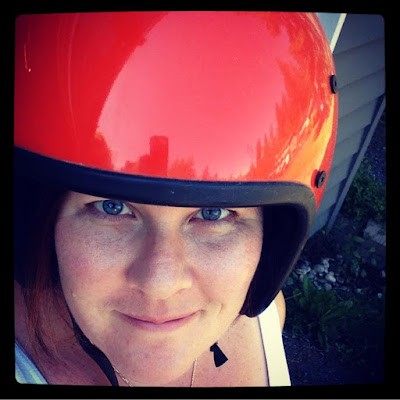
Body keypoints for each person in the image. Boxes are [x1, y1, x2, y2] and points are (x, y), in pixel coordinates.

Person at [14, 11, 338, 387]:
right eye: (112, 207)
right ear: (43, 219)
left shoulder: (265, 319)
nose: (160, 284)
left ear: (272, 236)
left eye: (213, 213)